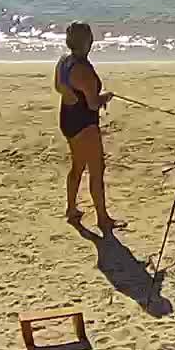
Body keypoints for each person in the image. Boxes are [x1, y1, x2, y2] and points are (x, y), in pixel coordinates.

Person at [55, 21, 121, 230]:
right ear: (87, 42)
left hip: (67, 118)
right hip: (84, 124)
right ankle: (103, 219)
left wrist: (74, 97)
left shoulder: (63, 61)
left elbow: (58, 87)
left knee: (77, 166)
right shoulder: (83, 70)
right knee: (96, 170)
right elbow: (93, 103)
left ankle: (71, 209)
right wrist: (105, 98)